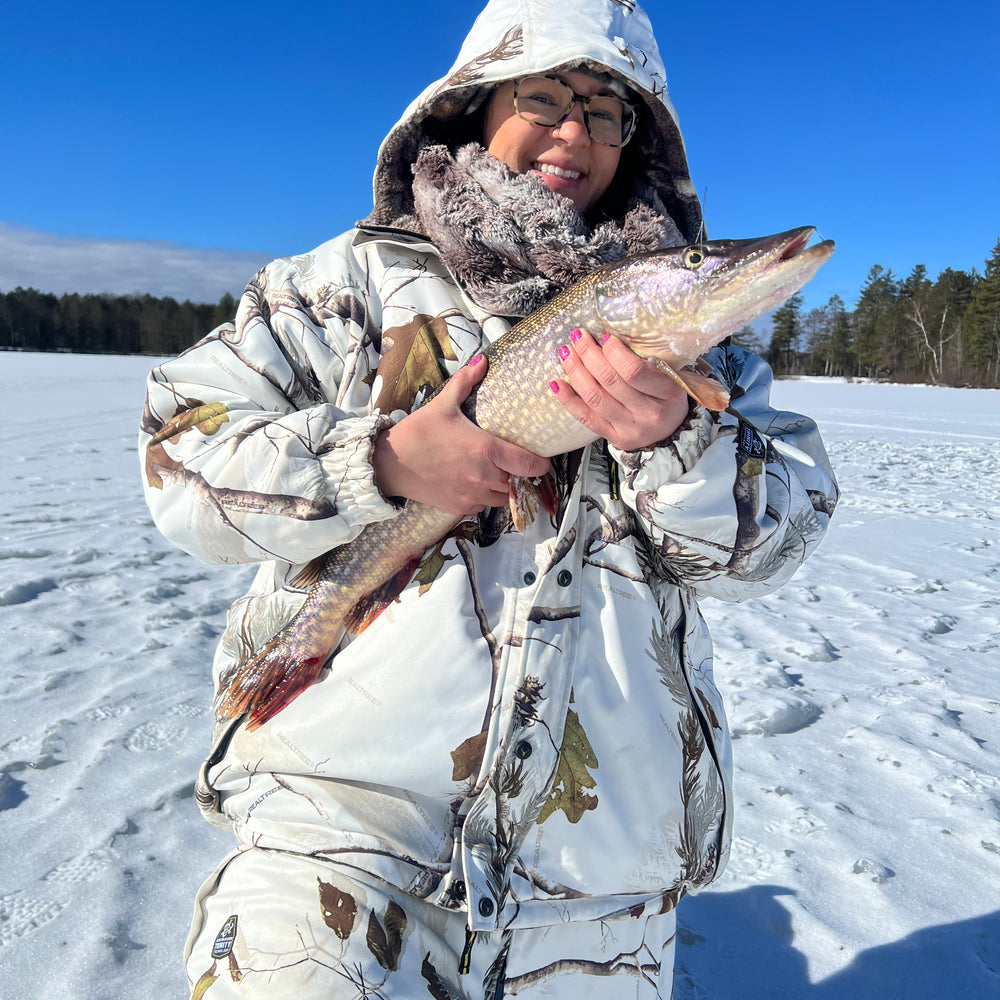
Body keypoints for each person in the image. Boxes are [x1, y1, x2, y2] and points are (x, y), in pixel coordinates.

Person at [140, 1, 838, 997]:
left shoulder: (708, 362)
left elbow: (778, 541)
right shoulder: (343, 285)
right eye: (545, 95)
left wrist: (675, 441)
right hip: (342, 838)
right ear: (473, 107)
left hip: (599, 886)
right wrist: (376, 461)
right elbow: (175, 451)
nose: (574, 132)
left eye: (608, 113)